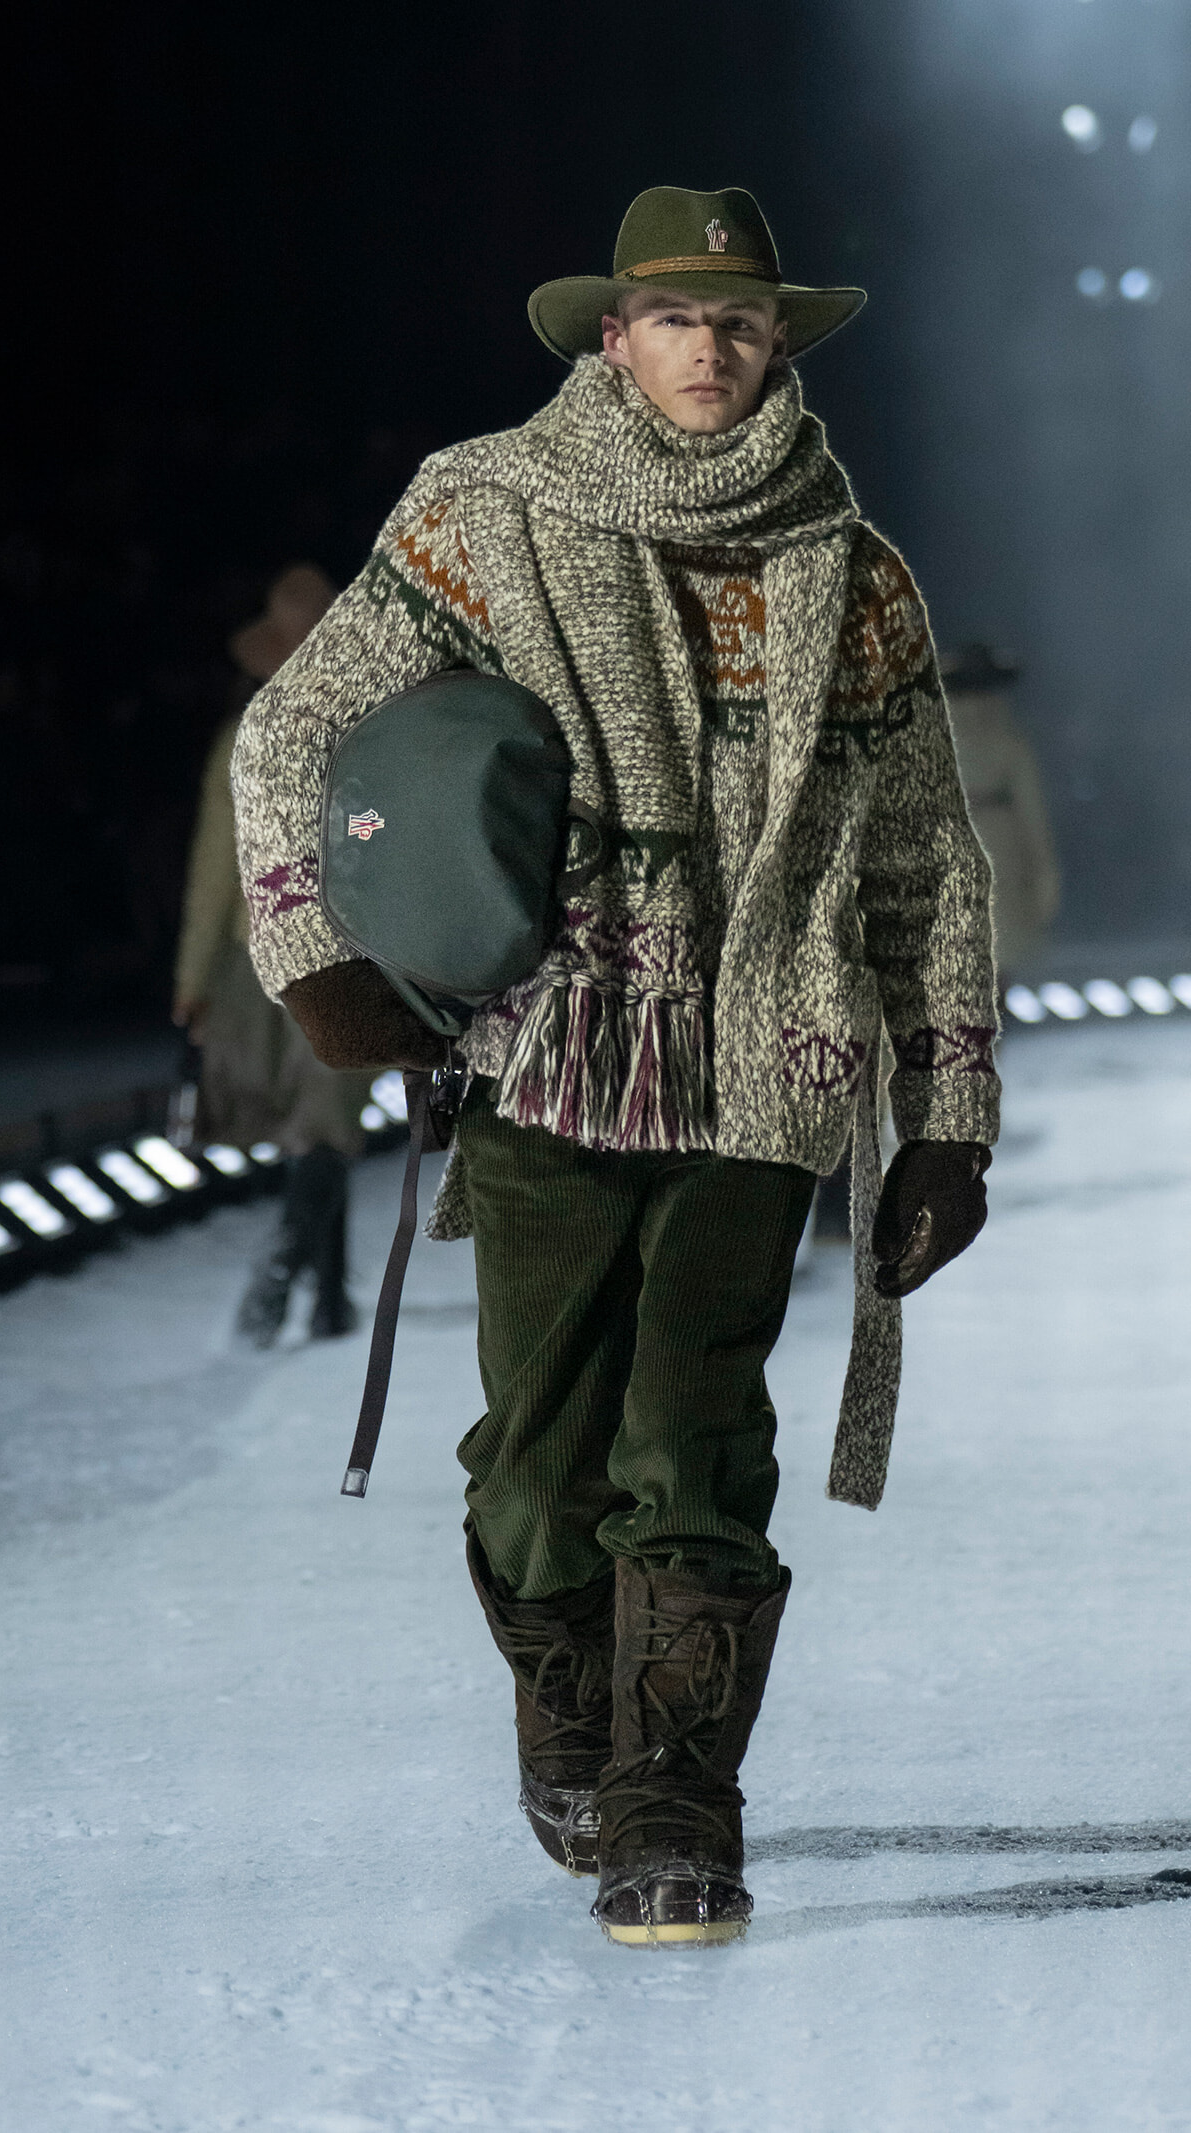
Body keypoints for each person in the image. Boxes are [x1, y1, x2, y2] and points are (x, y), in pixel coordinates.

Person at [231, 188, 1000, 1945]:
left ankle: (675, 1796)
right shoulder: (482, 508)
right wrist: (319, 954)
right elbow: (296, 728)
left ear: (779, 340)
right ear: (615, 336)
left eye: (738, 320)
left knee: (695, 1432)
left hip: (769, 1059)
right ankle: (570, 1692)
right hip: (550, 1044)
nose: (710, 346)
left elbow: (922, 858)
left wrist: (948, 1113)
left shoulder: (852, 570)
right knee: (533, 1454)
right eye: (675, 317)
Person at [173, 565, 369, 1346]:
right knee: (323, 1122)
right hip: (335, 954)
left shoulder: (250, 737)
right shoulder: (361, 731)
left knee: (316, 1126)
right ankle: (303, 1282)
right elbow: (376, 831)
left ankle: (308, 1290)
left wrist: (194, 977)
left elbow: (215, 869)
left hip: (284, 954)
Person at [941, 644, 1061, 983]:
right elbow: (1032, 814)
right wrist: (1044, 887)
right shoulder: (1007, 736)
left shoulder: (930, 735)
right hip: (1000, 847)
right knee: (997, 957)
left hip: (949, 842)